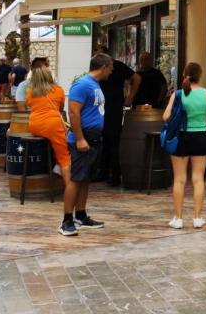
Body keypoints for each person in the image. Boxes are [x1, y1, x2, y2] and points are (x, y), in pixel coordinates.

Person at [61, 53, 113, 236]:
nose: (111, 72)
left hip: (94, 139)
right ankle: (66, 220)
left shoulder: (95, 85)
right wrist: (80, 138)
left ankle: (81, 215)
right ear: (104, 66)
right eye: (111, 68)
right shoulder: (82, 84)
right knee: (76, 179)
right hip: (82, 140)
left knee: (85, 179)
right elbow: (74, 113)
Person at [162, 62, 206, 230]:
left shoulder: (177, 94)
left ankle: (178, 219)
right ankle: (197, 218)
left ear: (184, 74)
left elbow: (166, 117)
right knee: (198, 179)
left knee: (179, 179)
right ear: (200, 75)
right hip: (201, 136)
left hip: (181, 137)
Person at [26, 66, 72, 219]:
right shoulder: (58, 90)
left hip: (34, 126)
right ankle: (69, 189)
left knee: (54, 149)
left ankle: (54, 167)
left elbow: (29, 106)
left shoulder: (30, 92)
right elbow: (60, 108)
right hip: (52, 125)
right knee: (64, 157)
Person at [96, 46, 133, 186]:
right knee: (104, 140)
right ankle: (103, 172)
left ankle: (115, 174)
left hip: (114, 108)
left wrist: (130, 96)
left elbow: (136, 78)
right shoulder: (99, 67)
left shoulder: (118, 65)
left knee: (113, 141)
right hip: (102, 108)